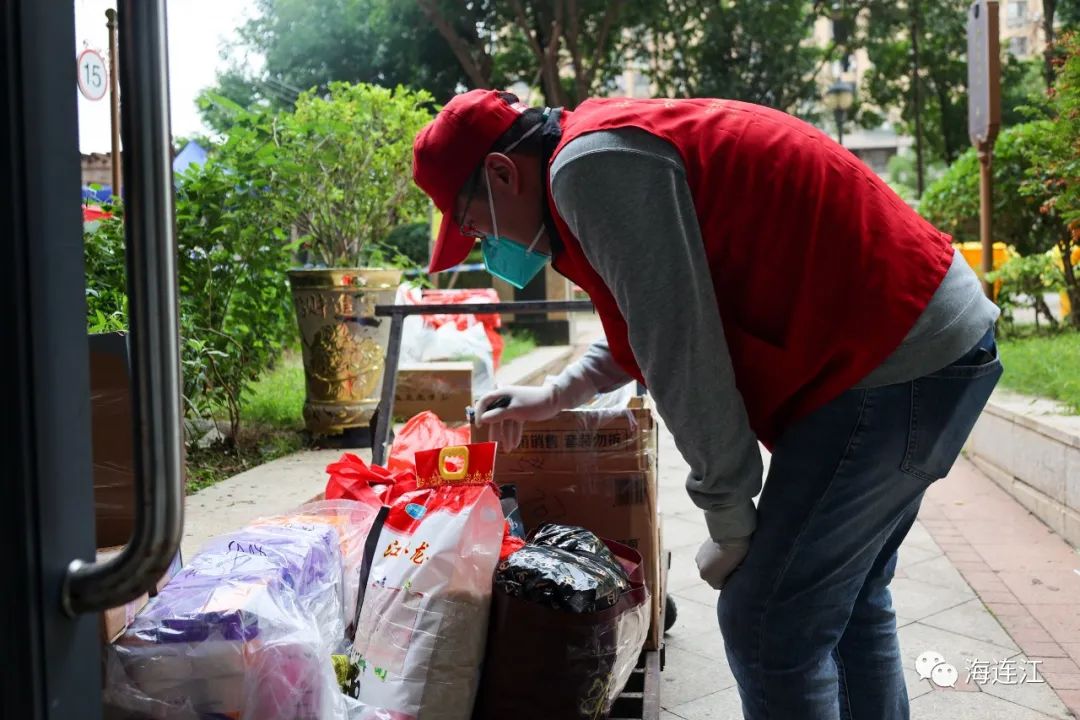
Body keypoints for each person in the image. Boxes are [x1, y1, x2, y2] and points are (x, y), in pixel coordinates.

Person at [411, 89, 1002, 719]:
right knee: (843, 601)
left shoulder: (590, 168)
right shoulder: (592, 156)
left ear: (503, 172)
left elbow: (681, 343)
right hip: (912, 340)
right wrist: (556, 392)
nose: (482, 246)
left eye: (472, 225)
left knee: (767, 621)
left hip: (889, 352)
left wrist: (728, 509)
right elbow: (655, 309)